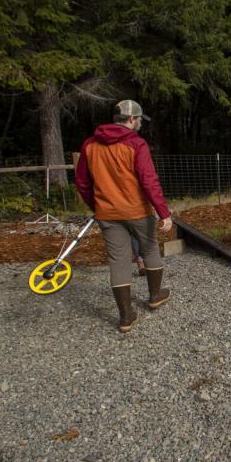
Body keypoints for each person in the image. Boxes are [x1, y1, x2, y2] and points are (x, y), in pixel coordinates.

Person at [74, 99, 172, 332]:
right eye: (138, 120)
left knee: (118, 261)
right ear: (131, 120)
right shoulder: (136, 144)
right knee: (149, 249)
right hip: (137, 210)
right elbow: (149, 181)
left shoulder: (89, 145)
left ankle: (126, 316)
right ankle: (155, 295)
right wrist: (163, 212)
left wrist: (97, 205)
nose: (140, 124)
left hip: (107, 213)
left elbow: (82, 183)